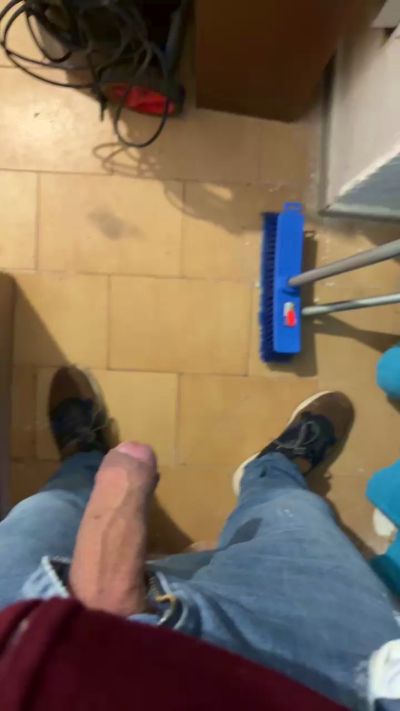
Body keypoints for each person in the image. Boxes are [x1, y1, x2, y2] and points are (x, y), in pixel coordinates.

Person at [0, 367, 399, 709]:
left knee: (50, 507)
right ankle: (274, 469)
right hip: (339, 676)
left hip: (25, 635)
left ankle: (84, 459)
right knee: (292, 512)